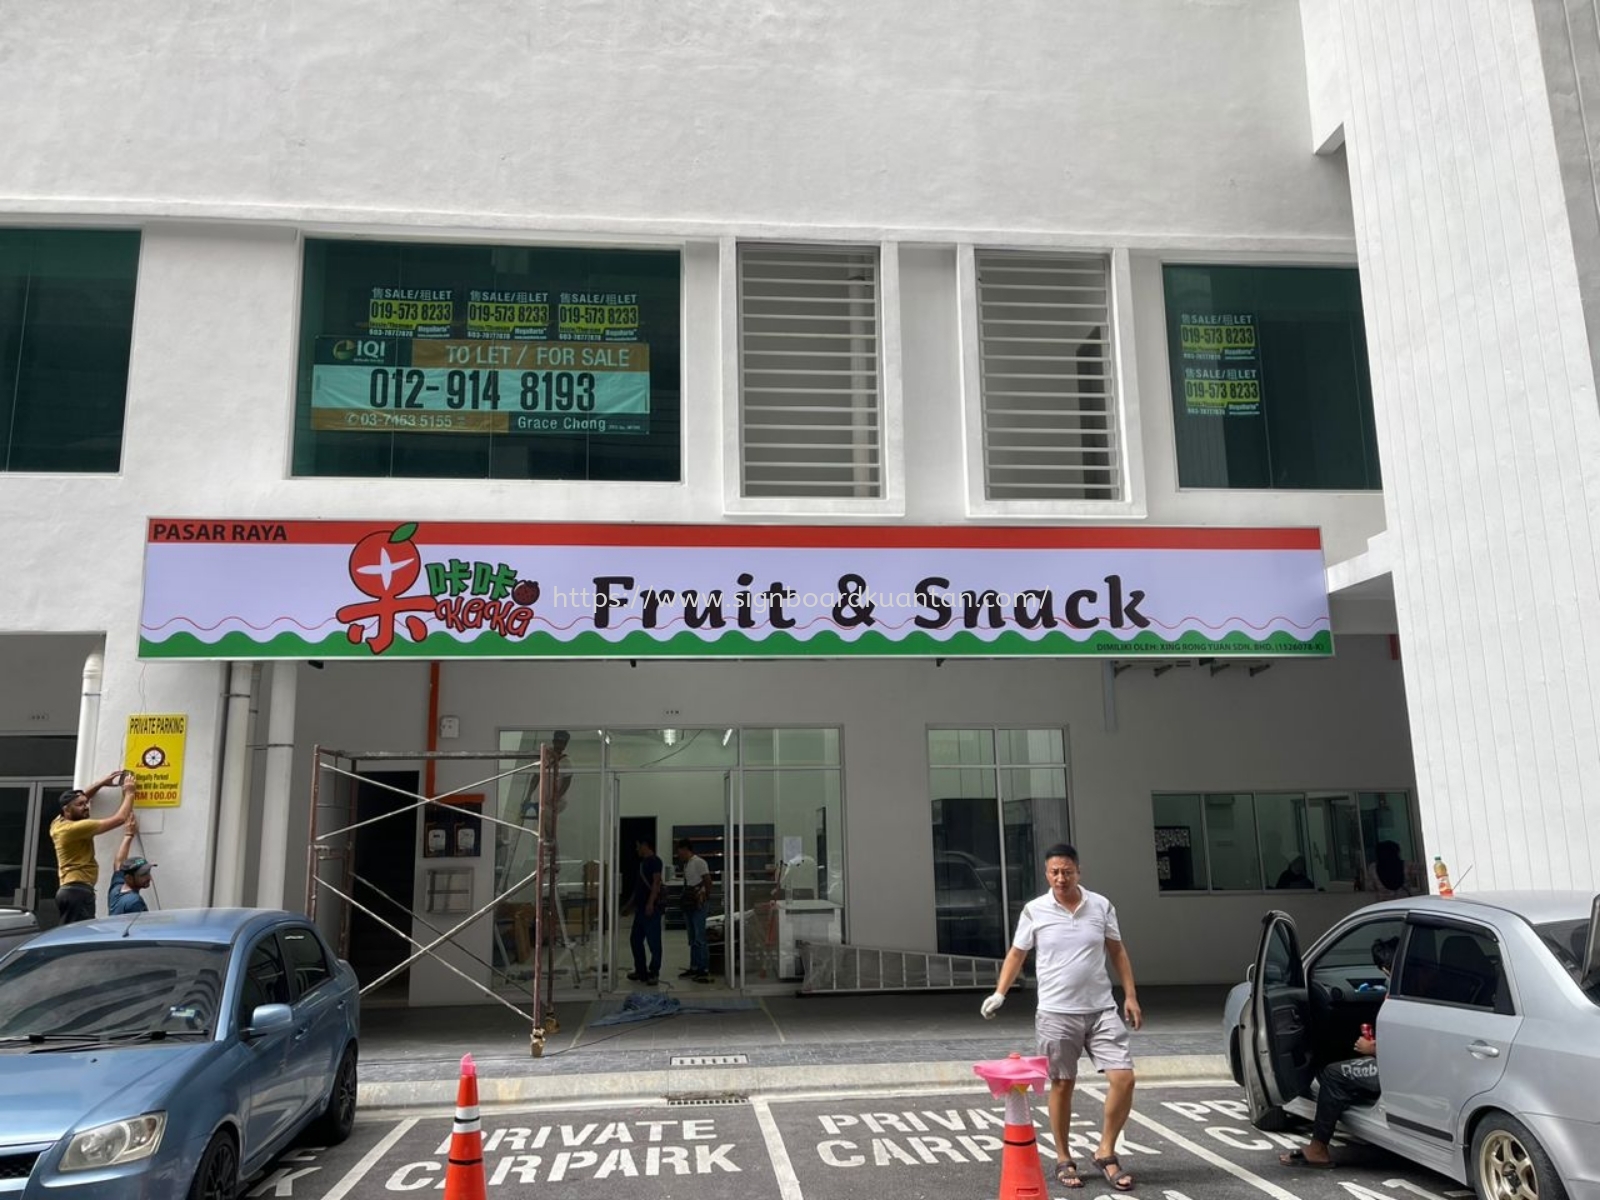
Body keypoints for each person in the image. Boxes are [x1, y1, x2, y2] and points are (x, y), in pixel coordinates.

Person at [981, 843, 1142, 1191]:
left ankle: (1106, 1151)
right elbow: (1016, 953)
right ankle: (1063, 1156)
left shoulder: (1100, 905)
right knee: (1063, 1083)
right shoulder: (1035, 910)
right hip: (1056, 1013)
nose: (1060, 878)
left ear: (1078, 871)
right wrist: (999, 993)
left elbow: (1117, 950)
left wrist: (1129, 995)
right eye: (1054, 872)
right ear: (1046, 873)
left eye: (1066, 871)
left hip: (1101, 1010)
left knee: (1124, 1078)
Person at [1281, 936, 1398, 1169]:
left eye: (1384, 970)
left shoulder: (1402, 995)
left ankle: (1318, 1149)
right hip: (1409, 1063)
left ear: (1387, 968)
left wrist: (1373, 1049)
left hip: (1398, 1067)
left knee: (1334, 1074)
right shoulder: (1428, 987)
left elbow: (1407, 1045)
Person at [50, 770, 137, 924]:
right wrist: (129, 793)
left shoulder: (58, 822)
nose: (86, 807)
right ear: (66, 810)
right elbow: (119, 819)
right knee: (78, 936)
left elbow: (82, 797)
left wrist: (101, 783)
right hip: (77, 891)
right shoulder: (76, 828)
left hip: (71, 891)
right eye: (80, 805)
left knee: (74, 933)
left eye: (86, 803)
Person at [675, 839, 713, 983]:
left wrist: (704, 899)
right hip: (689, 904)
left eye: (679, 851)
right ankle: (695, 966)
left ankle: (703, 969)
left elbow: (708, 881)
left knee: (699, 937)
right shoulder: (687, 864)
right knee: (692, 938)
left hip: (698, 904)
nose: (678, 854)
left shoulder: (699, 862)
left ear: (685, 849)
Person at [628, 836, 664, 985]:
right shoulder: (643, 863)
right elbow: (638, 889)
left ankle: (654, 972)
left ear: (645, 845)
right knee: (635, 940)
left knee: (654, 942)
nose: (637, 850)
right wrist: (628, 905)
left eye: (638, 846)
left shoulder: (655, 861)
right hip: (640, 909)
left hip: (651, 909)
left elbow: (656, 883)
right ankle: (641, 971)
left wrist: (650, 903)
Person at [108, 814, 156, 915]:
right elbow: (143, 928)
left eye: (148, 873)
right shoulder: (134, 901)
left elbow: (118, 863)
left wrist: (129, 835)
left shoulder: (117, 890)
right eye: (143, 875)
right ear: (129, 878)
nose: (149, 878)